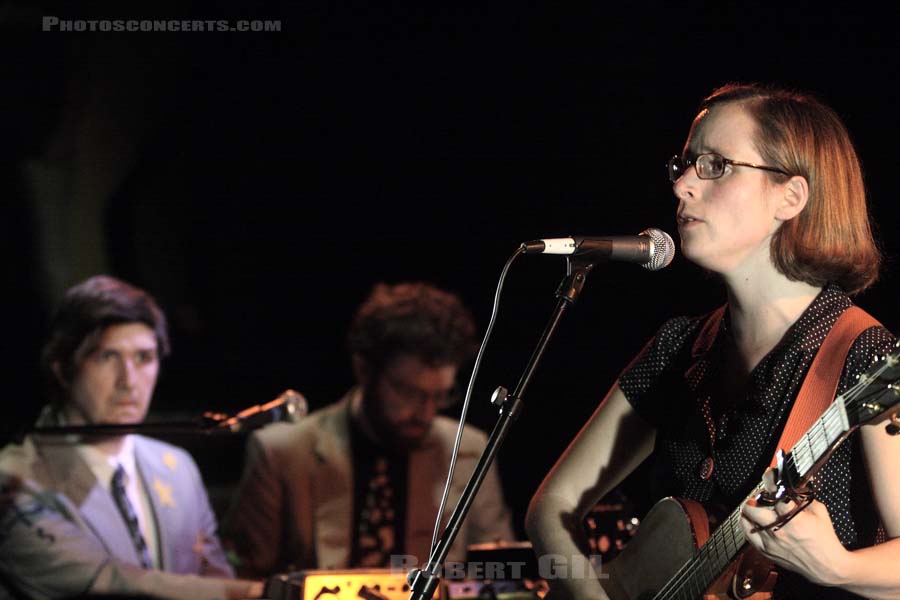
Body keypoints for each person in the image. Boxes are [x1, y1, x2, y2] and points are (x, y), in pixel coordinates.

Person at [525, 83, 900, 599]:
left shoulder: (866, 357)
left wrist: (837, 567)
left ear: (790, 196)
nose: (681, 185)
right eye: (682, 165)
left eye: (715, 165)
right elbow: (552, 506)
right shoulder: (680, 346)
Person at [222, 282, 514, 577]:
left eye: (439, 395)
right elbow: (243, 579)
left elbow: (497, 573)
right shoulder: (282, 452)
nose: (426, 413)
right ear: (364, 370)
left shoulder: (468, 447)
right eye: (407, 392)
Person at [0, 275, 263, 600]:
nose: (129, 381)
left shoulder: (176, 466)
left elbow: (214, 572)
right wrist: (259, 593)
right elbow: (108, 584)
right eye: (107, 357)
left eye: (143, 358)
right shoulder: (14, 479)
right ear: (62, 368)